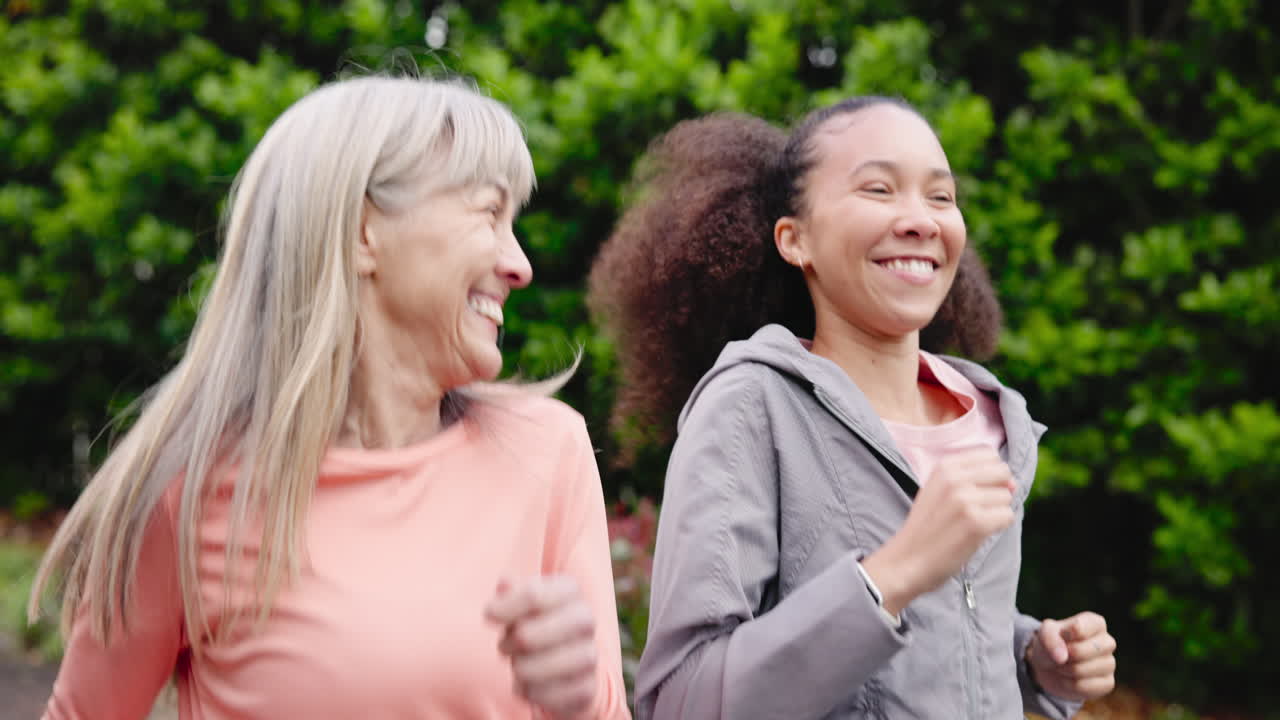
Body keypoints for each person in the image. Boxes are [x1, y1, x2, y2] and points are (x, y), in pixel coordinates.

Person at [29, 75, 630, 720]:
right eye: (489, 213)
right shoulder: (189, 490)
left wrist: (577, 701)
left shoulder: (546, 451)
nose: (520, 265)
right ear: (363, 233)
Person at [588, 97, 1117, 719]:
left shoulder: (993, 420)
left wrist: (1030, 659)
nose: (920, 219)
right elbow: (685, 699)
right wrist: (892, 574)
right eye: (879, 189)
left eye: (941, 197)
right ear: (796, 239)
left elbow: (944, 629)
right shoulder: (750, 409)